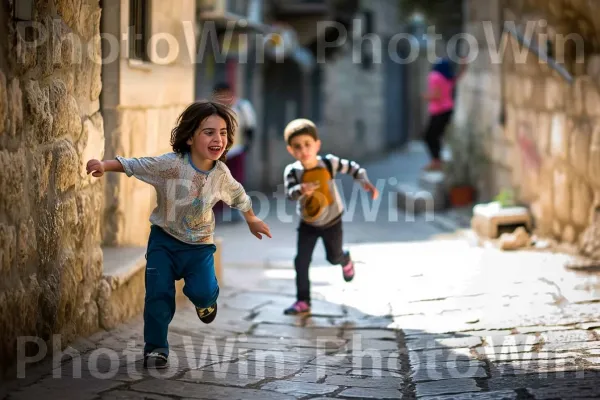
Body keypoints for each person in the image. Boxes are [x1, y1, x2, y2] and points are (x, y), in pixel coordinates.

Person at [85, 101, 271, 369]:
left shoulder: (220, 174)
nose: (217, 138)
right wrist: (104, 164)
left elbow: (239, 196)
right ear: (189, 136)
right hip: (164, 241)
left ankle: (207, 300)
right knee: (158, 295)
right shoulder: (170, 165)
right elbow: (138, 165)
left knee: (202, 291)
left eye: (222, 132)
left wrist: (252, 219)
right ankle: (156, 349)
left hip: (199, 248)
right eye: (208, 132)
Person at [281, 118, 379, 316]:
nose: (304, 150)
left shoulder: (328, 163)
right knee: (301, 261)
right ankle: (303, 301)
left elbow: (353, 168)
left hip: (332, 221)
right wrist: (301, 189)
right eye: (297, 147)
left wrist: (364, 181)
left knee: (333, 257)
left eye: (308, 144)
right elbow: (290, 194)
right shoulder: (292, 171)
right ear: (290, 150)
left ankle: (345, 259)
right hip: (308, 223)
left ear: (317, 145)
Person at [212, 82, 257, 223]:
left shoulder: (242, 107)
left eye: (225, 95)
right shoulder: (211, 110)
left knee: (236, 182)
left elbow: (250, 128)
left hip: (236, 151)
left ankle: (235, 212)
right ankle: (215, 213)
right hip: (216, 153)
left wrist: (246, 147)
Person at [422, 58, 467, 171]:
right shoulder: (448, 77)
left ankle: (436, 161)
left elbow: (437, 95)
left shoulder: (434, 76)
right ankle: (437, 160)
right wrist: (464, 64)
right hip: (448, 110)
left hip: (439, 110)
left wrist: (426, 97)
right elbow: (459, 76)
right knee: (435, 136)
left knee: (429, 136)